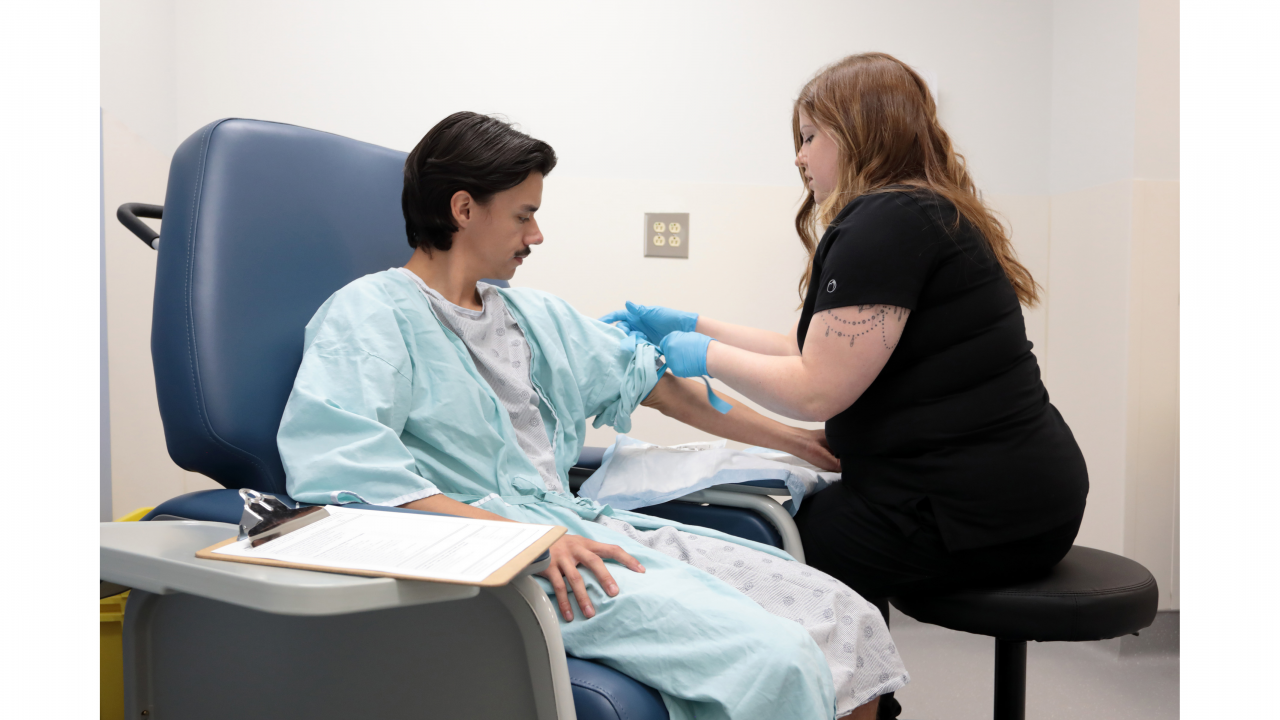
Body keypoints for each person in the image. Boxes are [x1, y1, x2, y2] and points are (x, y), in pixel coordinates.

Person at [276, 111, 906, 720]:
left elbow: (656, 383)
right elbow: (347, 474)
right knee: (780, 658)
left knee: (850, 622)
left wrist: (798, 442)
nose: (537, 236)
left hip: (578, 529)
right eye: (525, 216)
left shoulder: (530, 316)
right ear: (463, 209)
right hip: (504, 557)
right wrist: (522, 538)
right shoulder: (368, 313)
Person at [605, 53, 1089, 719]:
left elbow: (814, 391)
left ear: (859, 132)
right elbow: (814, 349)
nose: (800, 159)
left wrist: (701, 353)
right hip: (1022, 493)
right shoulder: (920, 212)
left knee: (797, 537)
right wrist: (691, 323)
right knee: (815, 516)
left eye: (809, 137)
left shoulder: (886, 221)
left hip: (981, 509)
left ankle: (858, 709)